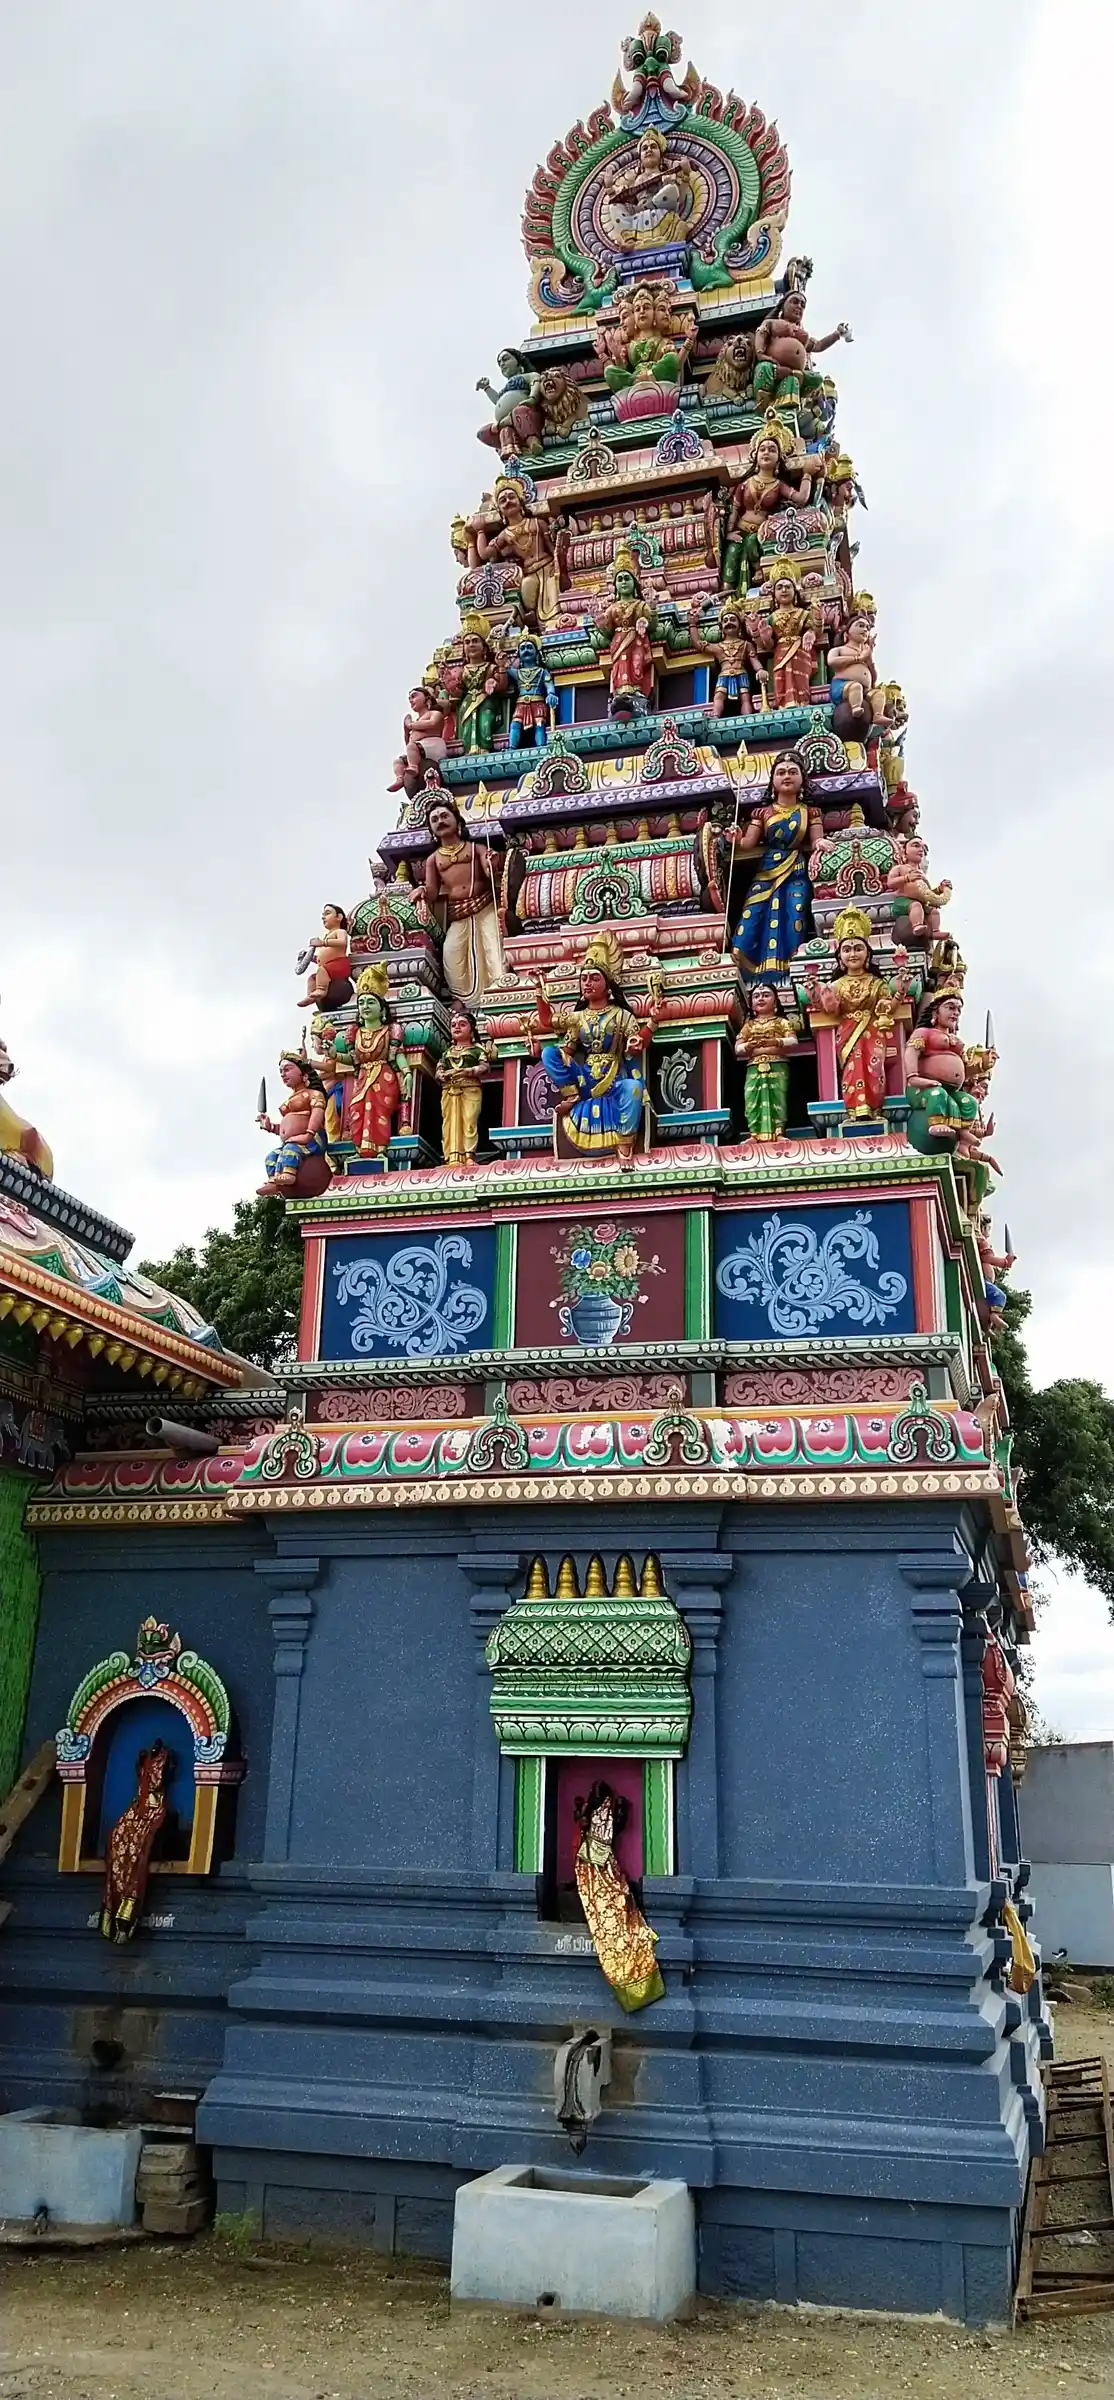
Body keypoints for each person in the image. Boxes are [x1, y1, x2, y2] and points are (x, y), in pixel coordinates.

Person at [533, 934, 657, 1164]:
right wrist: (540, 992)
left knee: (633, 1089)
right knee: (549, 1052)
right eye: (584, 979)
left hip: (614, 1079)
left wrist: (651, 1025)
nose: (587, 983)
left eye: (594, 978)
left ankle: (625, 1145)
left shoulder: (622, 1016)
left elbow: (636, 1043)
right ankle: (571, 1096)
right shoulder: (577, 1017)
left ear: (607, 985)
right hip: (585, 1080)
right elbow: (548, 1022)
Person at [573, 1781, 664, 2012]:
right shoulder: (592, 1811)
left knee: (620, 1904)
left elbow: (607, 1828)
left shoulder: (610, 1809)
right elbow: (583, 1824)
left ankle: (639, 1986)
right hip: (590, 1864)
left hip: (604, 1863)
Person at [805, 908, 904, 1120]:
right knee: (852, 1069)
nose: (853, 954)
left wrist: (900, 991)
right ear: (840, 957)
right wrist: (815, 993)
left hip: (873, 1031)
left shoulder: (877, 982)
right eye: (847, 949)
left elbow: (888, 1006)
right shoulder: (836, 985)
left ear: (868, 953)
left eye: (858, 948)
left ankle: (874, 1108)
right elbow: (830, 1010)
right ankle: (854, 1110)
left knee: (874, 1069)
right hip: (848, 1031)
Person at [727, 750, 818, 981]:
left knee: (795, 911)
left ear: (802, 781)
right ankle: (743, 962)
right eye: (781, 772)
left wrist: (823, 842)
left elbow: (816, 840)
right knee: (753, 912)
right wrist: (736, 837)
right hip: (767, 869)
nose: (786, 776)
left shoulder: (810, 812)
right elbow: (748, 843)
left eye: (792, 772)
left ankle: (793, 962)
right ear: (773, 782)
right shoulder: (763, 813)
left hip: (796, 868)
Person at [424, 798, 504, 999]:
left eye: (444, 816)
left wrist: (491, 863)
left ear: (457, 821)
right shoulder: (433, 859)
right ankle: (464, 1000)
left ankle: (501, 990)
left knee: (494, 946)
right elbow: (433, 891)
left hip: (485, 905)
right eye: (434, 819)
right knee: (451, 954)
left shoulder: (475, 848)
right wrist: (422, 892)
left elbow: (489, 872)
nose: (440, 821)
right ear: (432, 829)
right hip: (458, 913)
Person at [752, 287, 851, 412]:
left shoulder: (802, 333)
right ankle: (764, 402)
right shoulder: (772, 323)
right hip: (773, 368)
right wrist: (761, 354)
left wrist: (837, 334)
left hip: (795, 373)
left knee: (817, 379)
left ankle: (788, 398)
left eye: (802, 305)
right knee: (764, 368)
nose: (799, 306)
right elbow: (761, 333)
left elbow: (818, 346)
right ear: (783, 306)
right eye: (794, 302)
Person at [257, 1053, 329, 1196]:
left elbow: (317, 1113)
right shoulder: (291, 1099)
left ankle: (289, 1175)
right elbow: (287, 1127)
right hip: (292, 1143)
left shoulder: (313, 1094)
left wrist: (308, 1134)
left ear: (304, 1074)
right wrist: (271, 1127)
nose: (283, 1074)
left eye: (288, 1069)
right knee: (272, 1156)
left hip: (313, 1140)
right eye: (281, 1071)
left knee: (289, 1150)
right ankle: (274, 1181)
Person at [735, 985, 798, 1140]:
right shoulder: (749, 1026)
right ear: (751, 1003)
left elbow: (793, 1041)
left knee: (777, 1097)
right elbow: (738, 1049)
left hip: (777, 1064)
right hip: (754, 1066)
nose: (761, 998)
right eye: (756, 996)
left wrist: (775, 1041)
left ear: (775, 1001)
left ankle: (778, 1132)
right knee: (753, 1099)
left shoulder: (782, 1022)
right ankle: (755, 1134)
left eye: (766, 995)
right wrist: (748, 1046)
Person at [436, 1006, 494, 1166]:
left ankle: (469, 1156)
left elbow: (485, 1067)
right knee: (449, 1123)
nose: (457, 1027)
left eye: (462, 1024)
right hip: (449, 1089)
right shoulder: (447, 1052)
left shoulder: (477, 1050)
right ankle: (452, 1157)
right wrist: (442, 1075)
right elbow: (439, 1069)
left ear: (472, 1030)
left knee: (469, 1121)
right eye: (453, 1025)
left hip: (470, 1088)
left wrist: (467, 1071)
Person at [297, 904, 351, 1009]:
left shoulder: (340, 932)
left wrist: (323, 942)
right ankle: (311, 995)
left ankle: (321, 989)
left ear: (339, 917)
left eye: (327, 913)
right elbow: (322, 958)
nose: (323, 917)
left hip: (339, 965)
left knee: (321, 971)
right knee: (312, 978)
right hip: (328, 968)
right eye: (323, 915)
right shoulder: (327, 935)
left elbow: (342, 942)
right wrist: (309, 958)